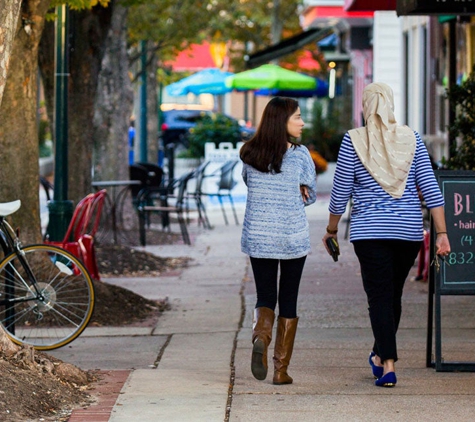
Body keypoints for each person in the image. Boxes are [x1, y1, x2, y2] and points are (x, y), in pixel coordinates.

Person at [322, 82, 451, 388]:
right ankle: (380, 356)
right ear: (390, 104)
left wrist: (331, 229)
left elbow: (340, 192)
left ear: (365, 107)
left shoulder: (353, 141)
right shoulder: (412, 139)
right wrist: (442, 232)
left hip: (369, 232)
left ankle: (388, 364)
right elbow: (431, 189)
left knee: (379, 297)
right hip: (407, 233)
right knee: (392, 296)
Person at [240, 97, 317, 385]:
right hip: (291, 235)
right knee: (289, 298)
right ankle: (280, 370)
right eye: (297, 117)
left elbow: (250, 183)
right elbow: (309, 195)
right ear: (281, 121)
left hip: (259, 235)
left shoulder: (249, 153)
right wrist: (294, 190)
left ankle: (261, 335)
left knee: (265, 296)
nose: (302, 122)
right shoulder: (300, 155)